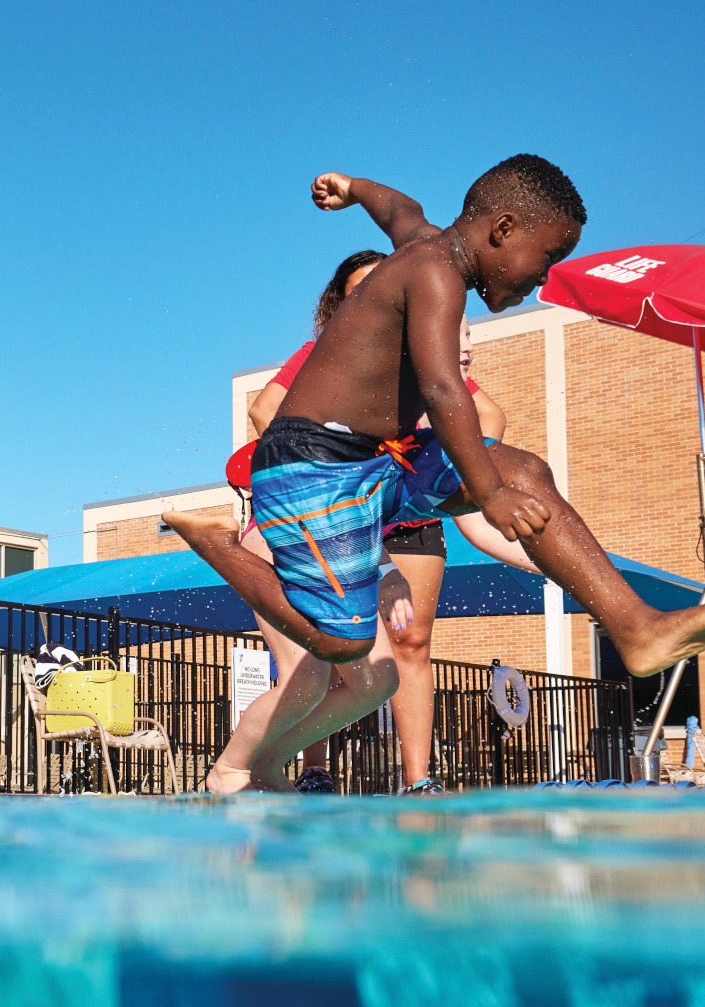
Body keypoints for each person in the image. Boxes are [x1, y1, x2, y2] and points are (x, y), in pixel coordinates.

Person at [169, 157, 705, 714]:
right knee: (343, 642)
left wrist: (353, 187)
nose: (543, 277)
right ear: (503, 229)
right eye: (546, 258)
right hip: (311, 466)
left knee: (526, 471)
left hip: (378, 460)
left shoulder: (424, 245)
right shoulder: (438, 276)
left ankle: (636, 628)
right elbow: (445, 391)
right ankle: (216, 545)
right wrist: (488, 495)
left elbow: (400, 208)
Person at [211, 244, 534, 795]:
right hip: (294, 524)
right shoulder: (332, 367)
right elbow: (266, 411)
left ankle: (269, 762)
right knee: (312, 670)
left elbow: (484, 464)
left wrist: (539, 554)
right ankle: (235, 767)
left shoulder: (423, 375)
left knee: (377, 675)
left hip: (365, 528)